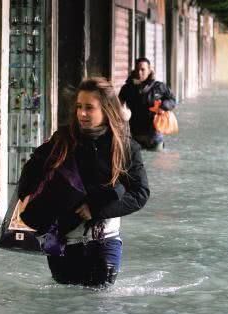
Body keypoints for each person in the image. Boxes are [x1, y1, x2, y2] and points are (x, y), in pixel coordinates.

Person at [17, 77, 150, 286]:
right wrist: (25, 196)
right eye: (79, 107)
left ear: (106, 109)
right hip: (60, 241)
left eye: (89, 108)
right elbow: (32, 168)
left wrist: (95, 210)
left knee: (99, 308)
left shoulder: (125, 147)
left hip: (104, 240)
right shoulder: (62, 139)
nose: (82, 113)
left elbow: (140, 194)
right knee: (65, 309)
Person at [119, 57, 176, 151]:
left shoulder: (159, 87)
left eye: (143, 69)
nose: (139, 72)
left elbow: (172, 100)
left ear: (149, 71)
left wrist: (164, 106)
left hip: (154, 135)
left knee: (156, 162)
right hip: (133, 135)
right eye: (137, 69)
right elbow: (118, 105)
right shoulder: (127, 88)